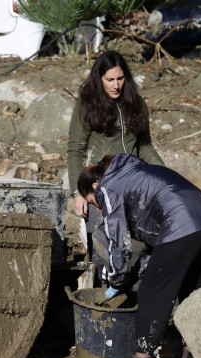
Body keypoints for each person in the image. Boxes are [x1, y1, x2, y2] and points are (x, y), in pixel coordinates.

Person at [77, 153, 201, 358]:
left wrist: (116, 279)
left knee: (152, 293)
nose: (97, 206)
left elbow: (118, 242)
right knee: (194, 295)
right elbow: (154, 245)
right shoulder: (134, 174)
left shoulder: (108, 187)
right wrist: (137, 270)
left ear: (95, 186)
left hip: (181, 223)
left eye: (92, 201)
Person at [66, 51, 163, 286]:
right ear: (99, 79)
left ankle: (130, 293)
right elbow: (75, 150)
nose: (116, 85)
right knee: (102, 245)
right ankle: (100, 294)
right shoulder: (86, 105)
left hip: (132, 183)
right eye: (110, 80)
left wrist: (164, 174)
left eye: (120, 79)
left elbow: (145, 146)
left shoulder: (136, 104)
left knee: (135, 242)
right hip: (101, 185)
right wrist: (78, 194)